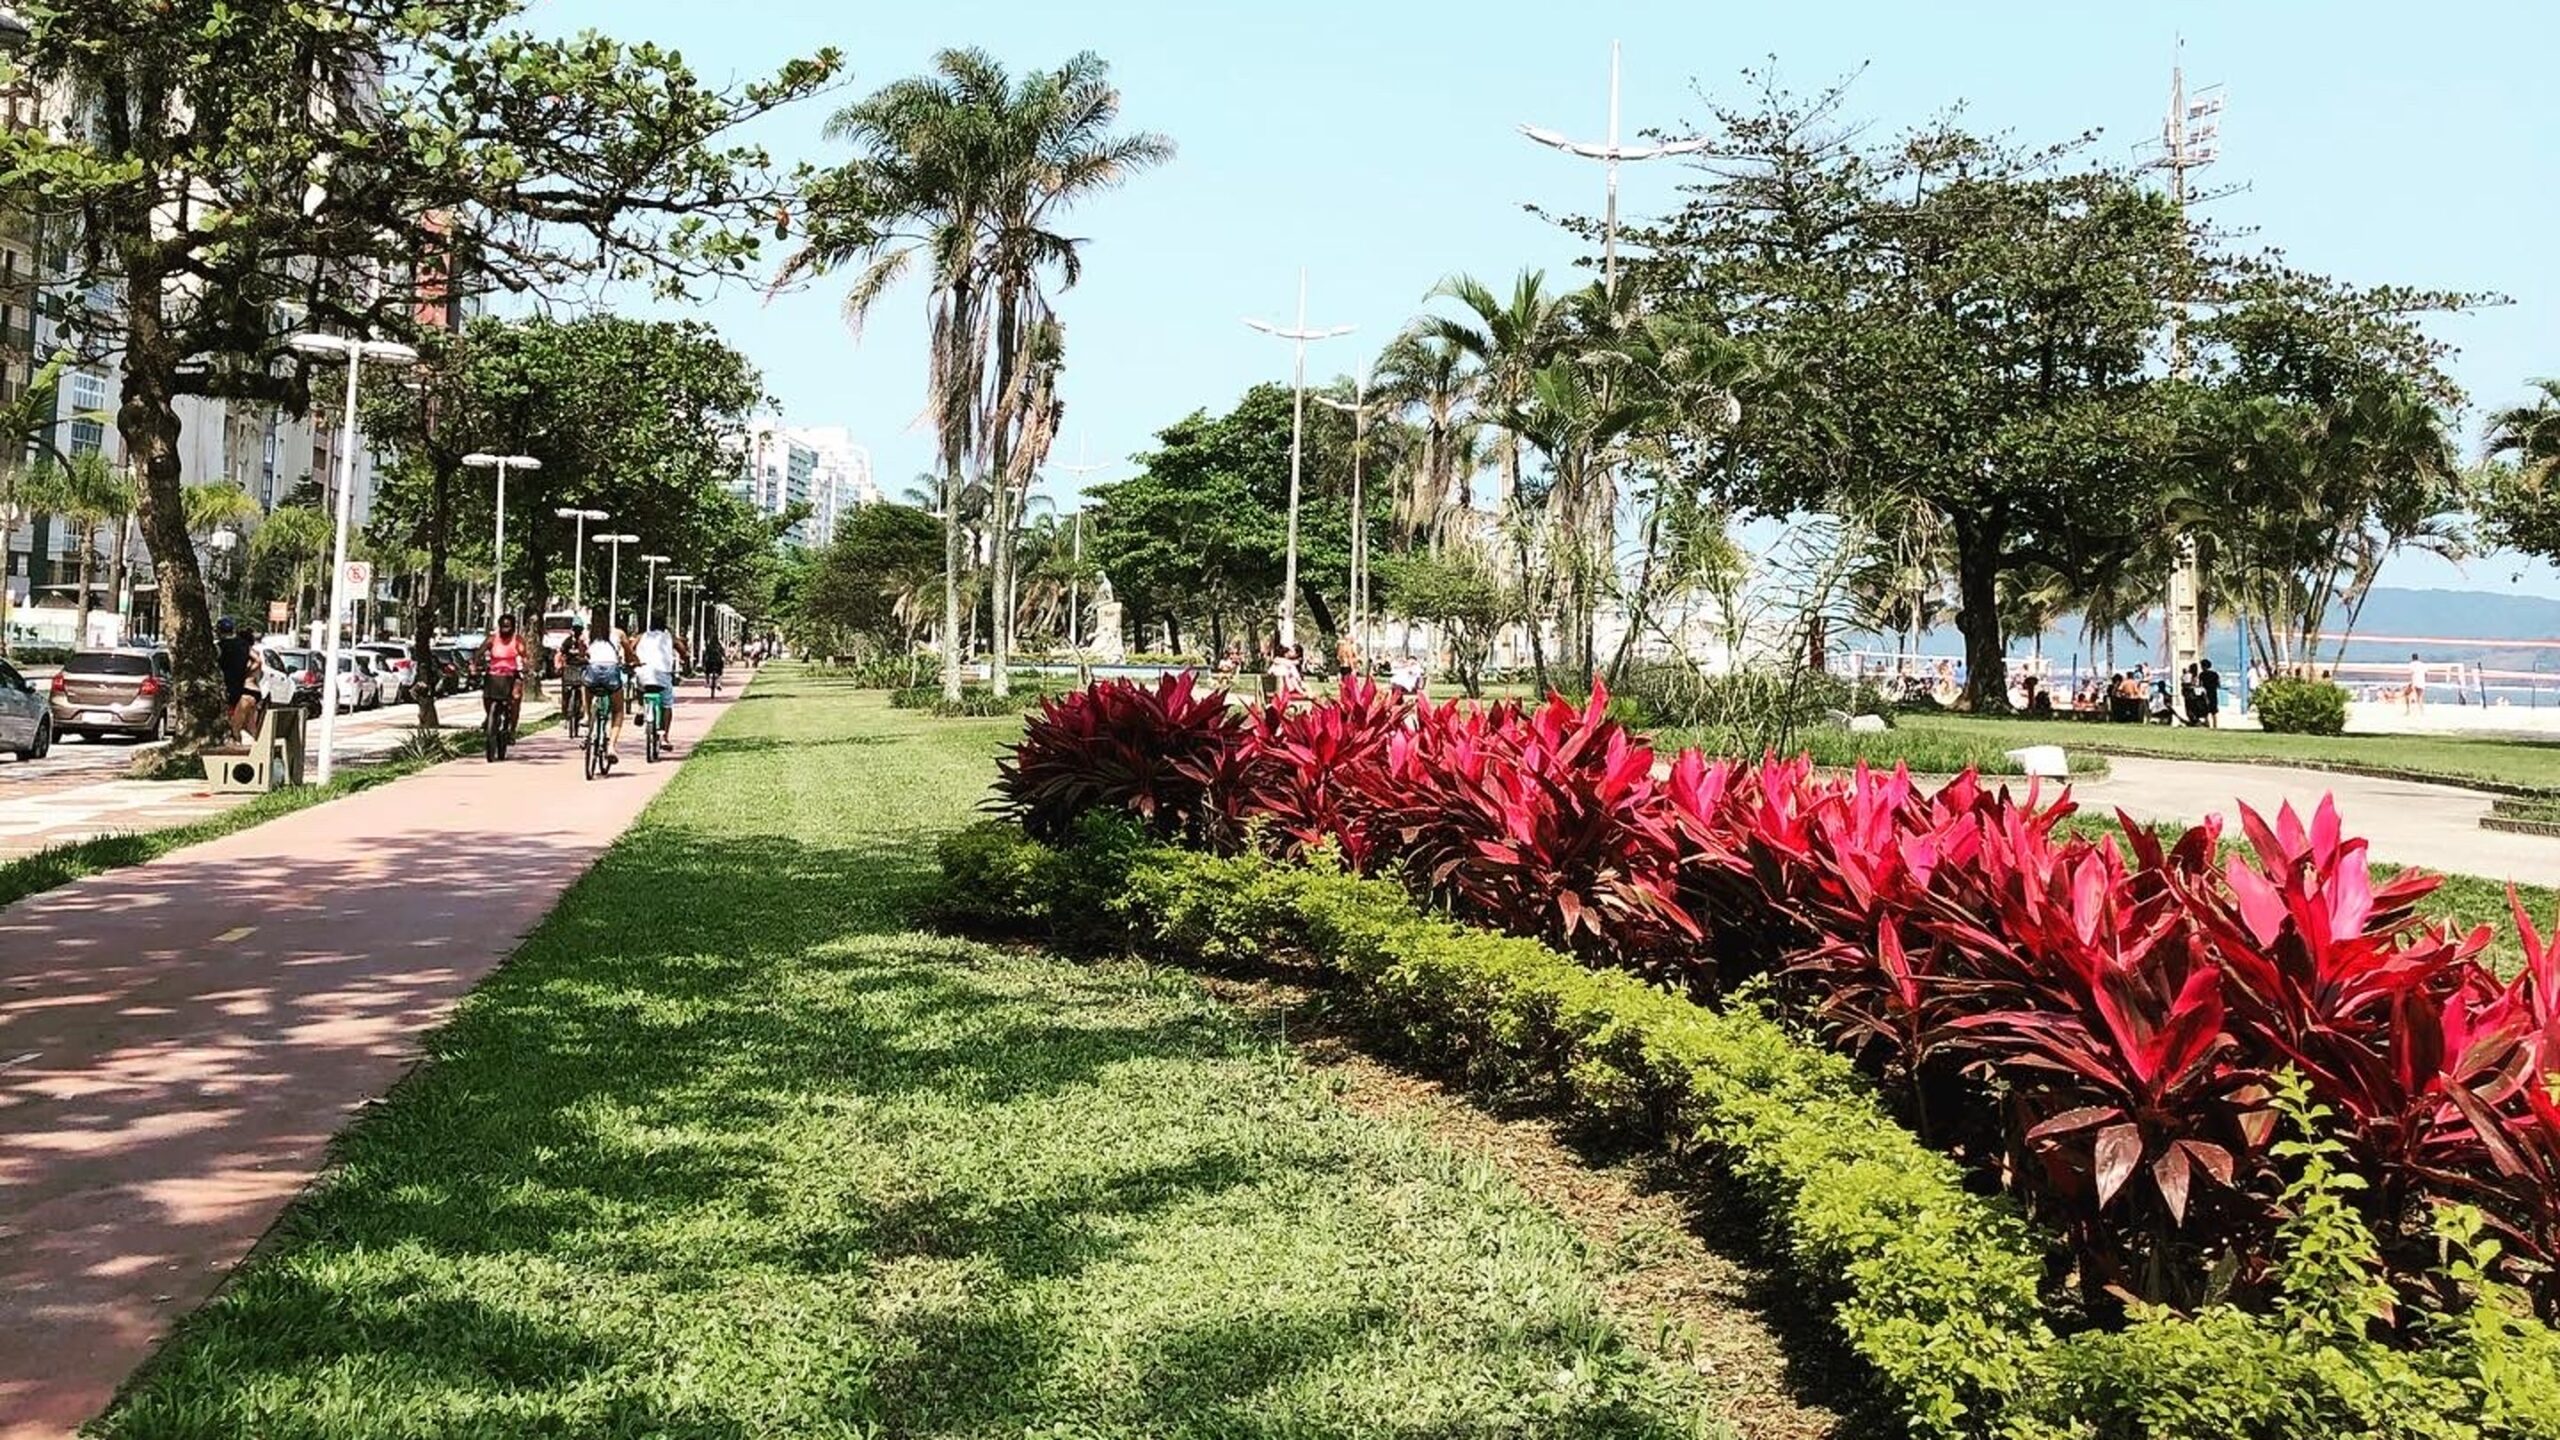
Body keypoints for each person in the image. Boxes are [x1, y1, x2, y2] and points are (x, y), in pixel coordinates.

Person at [580, 606, 629, 768]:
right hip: (611, 673)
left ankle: (587, 715)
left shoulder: (586, 635)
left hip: (592, 673)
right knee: (618, 711)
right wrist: (633, 662)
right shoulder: (618, 634)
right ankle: (611, 747)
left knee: (585, 683)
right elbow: (629, 654)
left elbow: (582, 655)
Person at [475, 613, 528, 756]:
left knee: (516, 697)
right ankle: (490, 718)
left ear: (513, 627)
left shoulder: (517, 640)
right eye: (503, 626)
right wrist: (474, 664)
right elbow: (479, 652)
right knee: (486, 696)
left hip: (512, 674)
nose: (505, 629)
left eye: (508, 626)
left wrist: (526, 666)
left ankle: (512, 730)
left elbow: (524, 657)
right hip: (494, 674)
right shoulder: (492, 639)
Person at [635, 618, 680, 750]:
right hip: (663, 675)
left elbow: (631, 647)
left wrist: (634, 661)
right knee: (667, 705)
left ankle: (641, 707)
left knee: (639, 685)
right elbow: (681, 648)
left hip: (643, 673)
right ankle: (665, 737)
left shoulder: (642, 636)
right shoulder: (668, 636)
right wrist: (685, 656)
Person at [216, 618, 257, 741]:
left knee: (232, 726)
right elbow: (258, 660)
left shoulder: (219, 647)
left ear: (219, 631)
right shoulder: (243, 645)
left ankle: (235, 744)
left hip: (227, 689)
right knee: (247, 725)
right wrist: (246, 671)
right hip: (242, 688)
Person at [557, 619, 591, 736]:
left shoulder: (584, 642)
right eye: (575, 629)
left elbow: (589, 653)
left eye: (579, 629)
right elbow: (561, 653)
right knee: (565, 691)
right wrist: (559, 664)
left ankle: (583, 710)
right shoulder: (567, 641)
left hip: (582, 669)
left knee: (584, 689)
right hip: (570, 669)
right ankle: (565, 714)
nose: (577, 631)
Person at [2197, 659, 2222, 728]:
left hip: (2205, 694)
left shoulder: (2202, 675)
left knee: (2205, 710)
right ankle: (2215, 725)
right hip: (2213, 693)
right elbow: (2218, 685)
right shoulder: (2215, 674)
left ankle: (2207, 724)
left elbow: (2200, 685)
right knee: (2214, 711)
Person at [701, 632, 726, 696]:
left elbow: (706, 654)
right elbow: (723, 653)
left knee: (706, 671)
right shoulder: (719, 645)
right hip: (718, 662)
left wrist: (704, 661)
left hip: (710, 662)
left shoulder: (709, 645)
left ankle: (707, 682)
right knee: (721, 672)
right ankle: (719, 683)